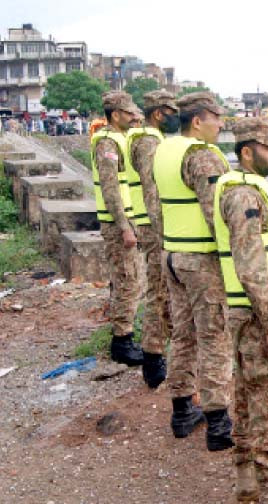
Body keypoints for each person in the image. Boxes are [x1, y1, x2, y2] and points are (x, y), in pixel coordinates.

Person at [211, 117, 268, 504]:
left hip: (244, 312)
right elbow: (252, 263)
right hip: (256, 314)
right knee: (267, 407)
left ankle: (246, 485)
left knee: (245, 399)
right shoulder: (243, 195)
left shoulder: (239, 187)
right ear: (246, 152)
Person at [153, 91, 233, 448]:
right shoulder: (201, 157)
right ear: (198, 120)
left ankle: (182, 410)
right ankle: (218, 423)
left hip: (172, 255)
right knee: (214, 336)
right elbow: (216, 213)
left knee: (183, 335)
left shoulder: (165, 150)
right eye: (216, 117)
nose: (221, 124)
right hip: (202, 260)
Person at [127, 89, 180, 388]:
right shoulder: (148, 142)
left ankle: (158, 353)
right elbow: (151, 189)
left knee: (162, 294)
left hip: (151, 224)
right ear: (159, 113)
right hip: (153, 227)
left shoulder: (150, 138)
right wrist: (164, 233)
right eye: (170, 112)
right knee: (158, 293)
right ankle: (153, 358)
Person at [90, 91, 143, 366]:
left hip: (127, 220)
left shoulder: (120, 138)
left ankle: (125, 336)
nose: (134, 117)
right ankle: (122, 341)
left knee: (130, 280)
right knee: (126, 280)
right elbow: (110, 189)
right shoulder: (107, 143)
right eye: (129, 112)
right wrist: (124, 227)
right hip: (117, 223)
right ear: (115, 114)